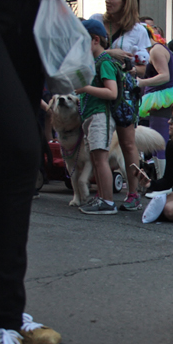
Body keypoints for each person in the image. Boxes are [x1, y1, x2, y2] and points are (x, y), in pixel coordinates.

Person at [0, 0, 62, 344]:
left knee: (16, 153)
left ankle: (0, 310)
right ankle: (3, 321)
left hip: (33, 9)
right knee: (18, 146)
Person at [90, 0, 151, 211]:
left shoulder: (139, 31)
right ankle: (102, 194)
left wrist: (131, 67)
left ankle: (133, 193)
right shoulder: (96, 20)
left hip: (124, 93)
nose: (108, 1)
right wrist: (110, 52)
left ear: (126, 1)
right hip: (99, 89)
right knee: (99, 142)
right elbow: (84, 52)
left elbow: (145, 68)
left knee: (127, 143)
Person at [76, 20, 121, 215]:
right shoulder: (94, 62)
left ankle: (108, 201)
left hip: (100, 116)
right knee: (95, 158)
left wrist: (85, 88)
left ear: (95, 40)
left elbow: (112, 92)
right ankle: (102, 197)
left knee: (101, 159)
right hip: (91, 115)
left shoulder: (104, 62)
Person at [137, 25, 173, 177]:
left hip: (161, 99)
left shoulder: (156, 50)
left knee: (159, 142)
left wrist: (141, 83)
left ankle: (163, 184)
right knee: (161, 142)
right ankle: (163, 181)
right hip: (161, 97)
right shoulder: (157, 49)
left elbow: (165, 76)